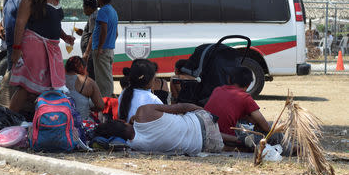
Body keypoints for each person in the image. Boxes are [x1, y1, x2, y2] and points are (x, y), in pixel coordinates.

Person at [9, 0, 75, 113]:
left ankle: (43, 121)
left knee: (50, 87)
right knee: (26, 88)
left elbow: (54, 24)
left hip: (52, 49)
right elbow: (20, 23)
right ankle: (10, 119)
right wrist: (16, 49)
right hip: (34, 46)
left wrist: (64, 36)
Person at [95, 103, 224, 154]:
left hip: (209, 145)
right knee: (188, 124)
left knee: (202, 134)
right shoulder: (143, 111)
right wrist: (203, 111)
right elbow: (181, 107)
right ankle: (240, 139)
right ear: (122, 121)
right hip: (203, 120)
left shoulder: (136, 147)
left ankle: (240, 142)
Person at [204, 67, 274, 148]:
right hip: (227, 141)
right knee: (273, 134)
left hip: (206, 134)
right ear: (249, 84)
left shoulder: (217, 90)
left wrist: (247, 118)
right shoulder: (245, 97)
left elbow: (226, 111)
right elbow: (266, 127)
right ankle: (290, 149)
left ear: (229, 80)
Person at [90, 0, 118, 97]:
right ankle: (109, 101)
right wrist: (108, 45)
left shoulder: (103, 11)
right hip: (109, 49)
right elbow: (116, 34)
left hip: (101, 50)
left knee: (102, 81)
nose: (96, 0)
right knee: (107, 77)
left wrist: (100, 47)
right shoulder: (113, 11)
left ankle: (105, 105)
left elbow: (103, 30)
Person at [65, 56, 104, 120]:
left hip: (60, 124)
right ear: (81, 68)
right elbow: (100, 106)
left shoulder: (58, 80)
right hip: (81, 124)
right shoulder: (88, 82)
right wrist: (88, 107)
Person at [75, 0, 98, 80]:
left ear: (88, 7)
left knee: (90, 75)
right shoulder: (93, 16)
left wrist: (87, 53)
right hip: (91, 53)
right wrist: (83, 33)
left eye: (84, 7)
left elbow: (93, 35)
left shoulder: (93, 17)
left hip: (90, 54)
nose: (83, 10)